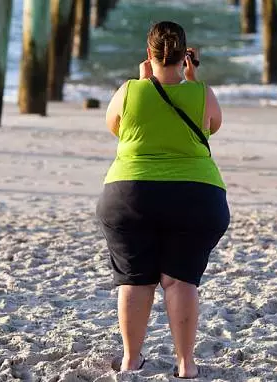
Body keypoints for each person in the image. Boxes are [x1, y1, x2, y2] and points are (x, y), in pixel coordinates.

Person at [96, 21, 230, 379]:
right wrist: (191, 80)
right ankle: (186, 365)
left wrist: (143, 85)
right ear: (186, 55)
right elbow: (212, 126)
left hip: (130, 194)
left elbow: (115, 126)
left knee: (135, 280)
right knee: (181, 281)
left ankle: (130, 360)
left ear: (148, 53)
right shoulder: (203, 93)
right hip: (196, 195)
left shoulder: (128, 91)